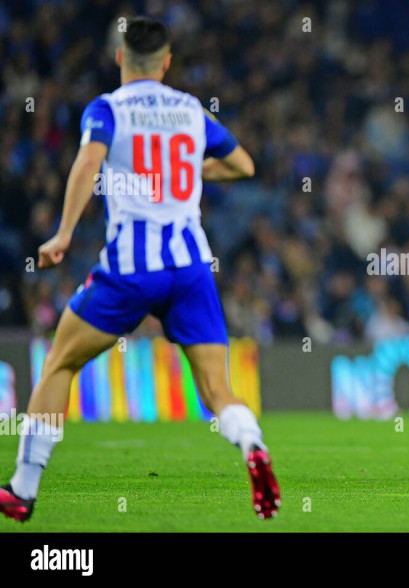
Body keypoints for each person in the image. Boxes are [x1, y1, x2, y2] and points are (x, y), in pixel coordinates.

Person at [0, 17, 280, 522]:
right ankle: (254, 446)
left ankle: (22, 489)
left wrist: (63, 233)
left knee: (59, 363)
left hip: (131, 266)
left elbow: (88, 164)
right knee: (218, 391)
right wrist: (188, 165)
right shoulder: (191, 109)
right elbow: (244, 165)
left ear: (119, 58)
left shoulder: (108, 108)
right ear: (168, 62)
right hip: (191, 265)